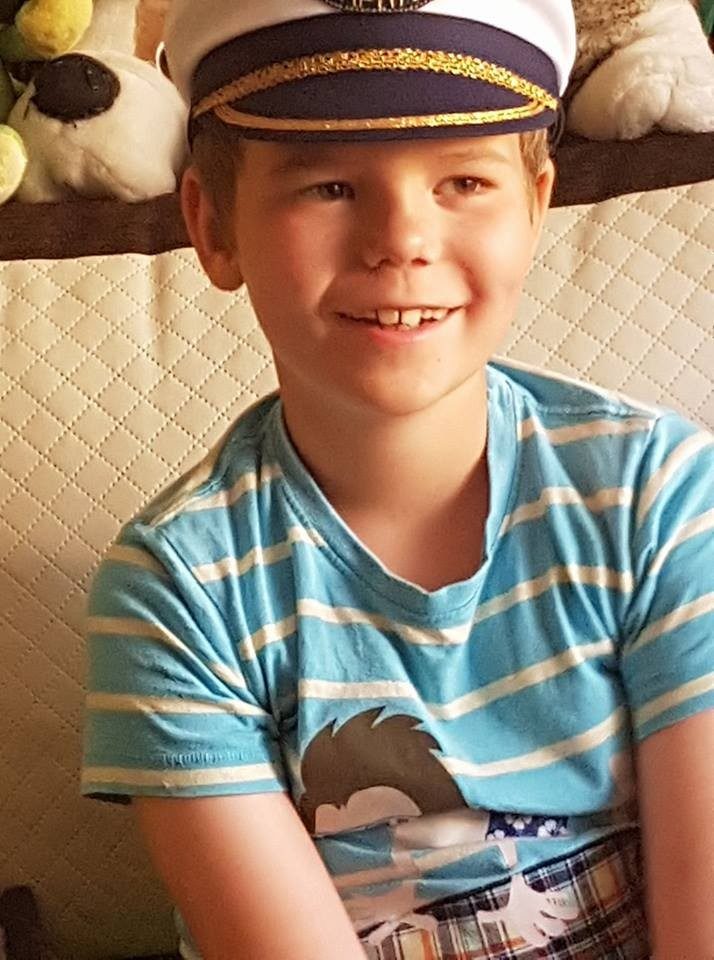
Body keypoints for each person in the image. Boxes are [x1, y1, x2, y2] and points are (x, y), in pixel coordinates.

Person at [80, 1, 714, 958]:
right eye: (330, 185)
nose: (401, 239)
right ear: (213, 227)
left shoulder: (658, 496)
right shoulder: (175, 593)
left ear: (536, 205)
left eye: (464, 180)